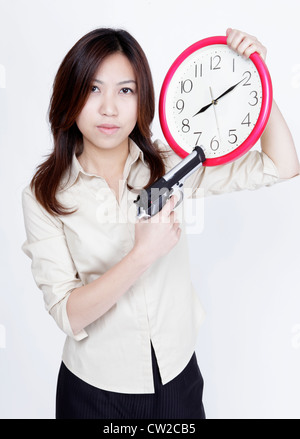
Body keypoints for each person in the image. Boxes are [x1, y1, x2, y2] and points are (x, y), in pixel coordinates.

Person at [21, 27, 299, 419]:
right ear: (72, 95)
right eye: (94, 89)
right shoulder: (44, 194)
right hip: (93, 391)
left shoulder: (171, 165)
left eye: (125, 91)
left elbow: (281, 166)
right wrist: (142, 254)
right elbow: (68, 313)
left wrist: (258, 78)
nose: (109, 109)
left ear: (142, 101)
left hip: (177, 378)